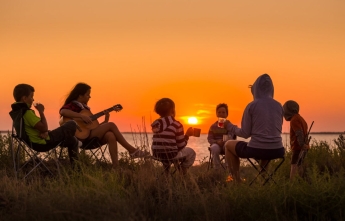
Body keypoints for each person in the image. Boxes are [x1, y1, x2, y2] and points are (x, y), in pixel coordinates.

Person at [59, 83, 150, 169]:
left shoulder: (85, 109)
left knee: (110, 135)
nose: (89, 96)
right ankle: (132, 150)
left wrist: (105, 121)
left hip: (89, 138)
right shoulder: (73, 105)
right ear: (80, 95)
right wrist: (81, 116)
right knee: (111, 125)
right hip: (79, 139)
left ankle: (116, 167)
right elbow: (63, 111)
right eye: (87, 94)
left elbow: (92, 128)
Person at [224, 74, 285, 183]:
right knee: (266, 147)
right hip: (277, 150)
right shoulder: (279, 106)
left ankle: (236, 181)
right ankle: (263, 180)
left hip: (257, 150)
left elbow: (245, 133)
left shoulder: (252, 106)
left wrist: (230, 127)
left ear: (256, 90)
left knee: (228, 144)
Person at [10, 84, 80, 165]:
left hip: (36, 141)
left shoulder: (17, 112)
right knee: (71, 123)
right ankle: (80, 141)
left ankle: (77, 169)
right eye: (31, 96)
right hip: (43, 143)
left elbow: (39, 128)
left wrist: (45, 132)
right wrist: (41, 111)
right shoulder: (27, 113)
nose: (33, 99)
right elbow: (44, 128)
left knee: (72, 140)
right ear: (24, 98)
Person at [151, 98, 196, 176]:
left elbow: (164, 140)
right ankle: (183, 171)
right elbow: (181, 146)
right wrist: (187, 135)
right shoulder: (177, 124)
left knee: (168, 151)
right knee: (191, 152)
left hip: (156, 154)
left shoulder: (155, 124)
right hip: (171, 154)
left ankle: (166, 174)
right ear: (172, 110)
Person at [283, 100, 310, 180]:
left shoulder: (294, 119)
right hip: (304, 147)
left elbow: (299, 133)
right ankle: (300, 181)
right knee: (299, 165)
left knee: (294, 165)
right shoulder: (301, 119)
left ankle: (292, 184)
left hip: (298, 147)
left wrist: (302, 145)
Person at [207, 103, 236, 170]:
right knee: (214, 148)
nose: (221, 114)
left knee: (227, 146)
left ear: (226, 114)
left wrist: (224, 141)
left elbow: (231, 136)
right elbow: (210, 138)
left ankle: (228, 168)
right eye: (219, 112)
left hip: (226, 144)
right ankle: (217, 168)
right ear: (216, 114)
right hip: (216, 144)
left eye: (223, 112)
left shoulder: (229, 125)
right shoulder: (213, 126)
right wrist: (217, 141)